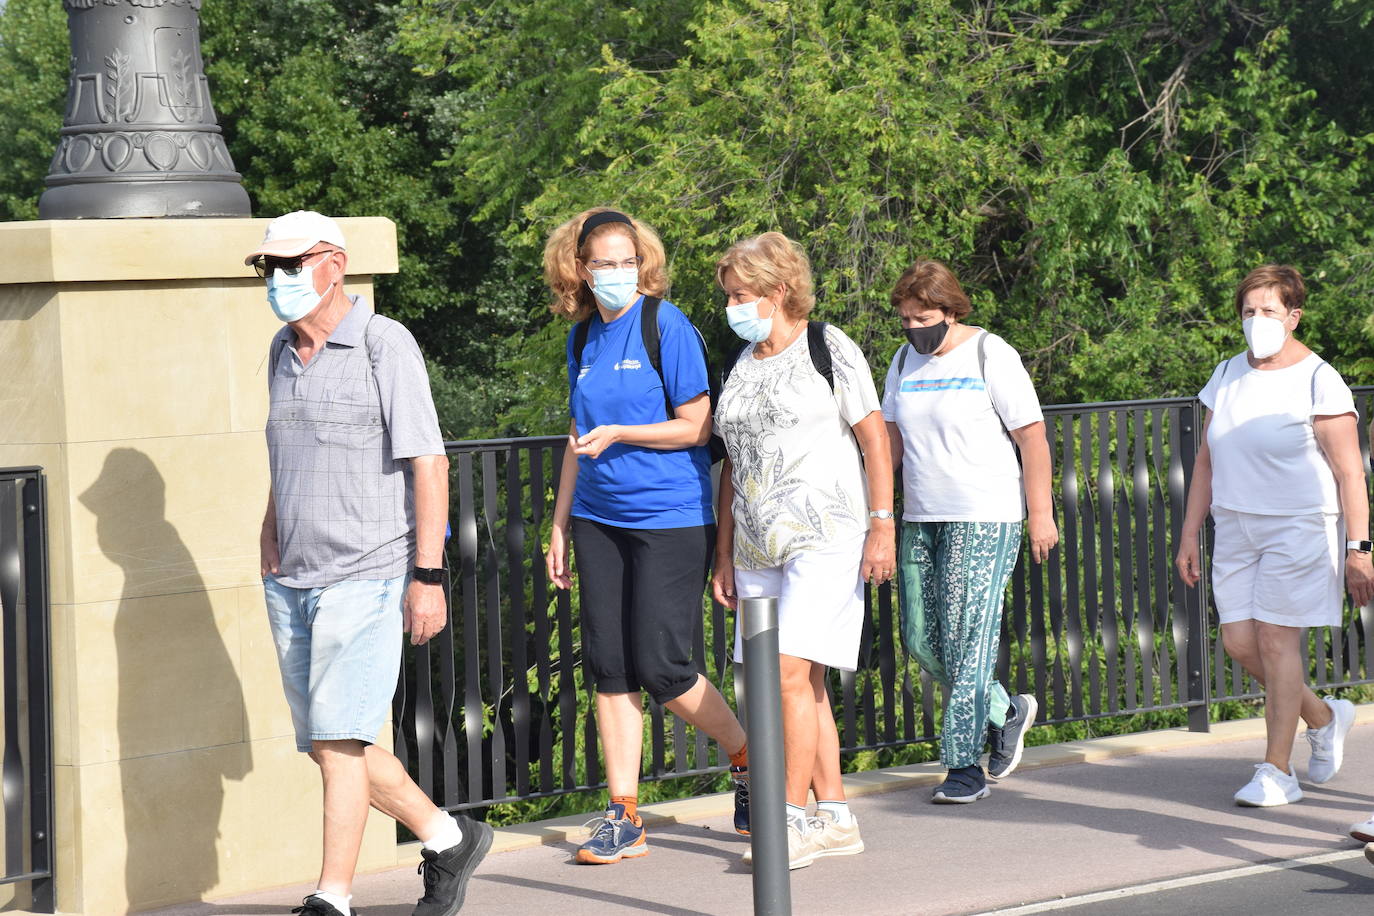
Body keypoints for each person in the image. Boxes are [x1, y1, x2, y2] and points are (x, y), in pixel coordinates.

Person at [251, 211, 491, 916]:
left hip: (371, 570)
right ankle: (449, 838)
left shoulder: (386, 345)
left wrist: (427, 576)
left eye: (291, 266)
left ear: (333, 263)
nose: (278, 280)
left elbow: (430, 464)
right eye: (270, 268)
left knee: (342, 738)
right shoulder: (279, 348)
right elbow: (287, 448)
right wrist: (270, 525)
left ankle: (333, 897)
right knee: (328, 746)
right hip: (292, 574)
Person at [542, 208, 751, 865]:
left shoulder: (667, 325)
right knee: (609, 667)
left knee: (663, 667)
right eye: (602, 262)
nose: (615, 273)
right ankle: (623, 813)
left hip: (670, 516)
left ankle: (747, 756)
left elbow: (696, 426)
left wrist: (624, 434)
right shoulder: (582, 340)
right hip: (598, 520)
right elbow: (579, 440)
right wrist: (558, 523)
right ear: (578, 268)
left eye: (626, 261)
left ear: (644, 264)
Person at [710, 231, 894, 869]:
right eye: (728, 295)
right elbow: (734, 463)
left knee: (786, 676)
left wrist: (883, 524)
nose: (731, 306)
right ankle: (836, 815)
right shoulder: (740, 363)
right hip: (758, 546)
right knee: (796, 684)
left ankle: (786, 818)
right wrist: (724, 552)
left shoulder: (828, 346)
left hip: (826, 533)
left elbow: (874, 439)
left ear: (778, 290)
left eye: (740, 295)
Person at [1176, 264, 1372, 807]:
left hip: (1301, 525)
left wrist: (1360, 549)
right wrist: (1190, 532)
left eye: (1268, 310)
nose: (1256, 320)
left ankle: (1277, 770)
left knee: (1276, 641)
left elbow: (1350, 472)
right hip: (1235, 524)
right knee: (1239, 642)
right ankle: (1324, 716)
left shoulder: (1318, 378)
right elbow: (1208, 459)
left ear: (1293, 315)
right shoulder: (1226, 373)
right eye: (1248, 311)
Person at [880, 259, 1056, 804]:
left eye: (923, 316)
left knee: (969, 641)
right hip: (922, 516)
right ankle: (1006, 710)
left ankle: (963, 767)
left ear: (951, 310)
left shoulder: (990, 353)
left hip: (985, 514)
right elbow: (889, 442)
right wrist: (879, 515)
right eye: (906, 319)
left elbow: (1032, 438)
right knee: (922, 640)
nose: (914, 328)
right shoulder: (903, 361)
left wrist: (1042, 514)